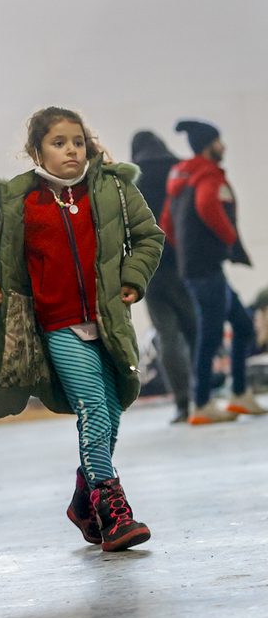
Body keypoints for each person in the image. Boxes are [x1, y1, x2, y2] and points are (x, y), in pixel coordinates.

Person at [0, 106, 163, 551]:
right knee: (93, 406)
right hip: (57, 326)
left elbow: (150, 237)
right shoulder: (18, 199)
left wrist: (133, 277)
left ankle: (82, 499)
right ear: (37, 150)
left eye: (77, 141)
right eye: (58, 143)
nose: (71, 150)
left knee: (110, 415)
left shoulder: (112, 187)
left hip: (108, 322)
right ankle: (114, 512)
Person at [161, 119, 265, 424]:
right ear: (209, 145)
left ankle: (239, 394)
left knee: (244, 326)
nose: (224, 146)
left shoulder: (180, 175)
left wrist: (187, 248)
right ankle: (203, 402)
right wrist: (229, 238)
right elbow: (208, 204)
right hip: (206, 267)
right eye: (219, 141)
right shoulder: (207, 174)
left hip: (198, 266)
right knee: (210, 335)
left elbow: (167, 222)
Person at [130, 130, 197, 423]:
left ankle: (182, 403)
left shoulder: (133, 181)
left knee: (167, 336)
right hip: (184, 267)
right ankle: (203, 395)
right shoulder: (180, 170)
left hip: (151, 272)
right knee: (196, 332)